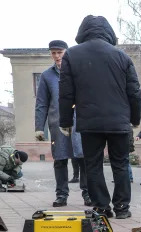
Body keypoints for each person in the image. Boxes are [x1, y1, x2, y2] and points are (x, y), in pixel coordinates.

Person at [59, 15, 141, 219]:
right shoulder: (122, 56)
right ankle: (122, 208)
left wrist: (66, 121)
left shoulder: (71, 55)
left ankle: (101, 207)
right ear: (108, 32)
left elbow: (66, 93)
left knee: (93, 164)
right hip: (119, 121)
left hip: (89, 121)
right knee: (120, 163)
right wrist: (135, 119)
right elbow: (135, 92)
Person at [35, 39, 92, 208]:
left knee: (83, 159)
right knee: (60, 160)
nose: (57, 56)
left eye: (60, 52)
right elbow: (41, 103)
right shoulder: (47, 76)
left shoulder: (79, 72)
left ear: (66, 53)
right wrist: (39, 127)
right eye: (53, 53)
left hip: (80, 124)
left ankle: (88, 194)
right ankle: (61, 195)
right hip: (57, 125)